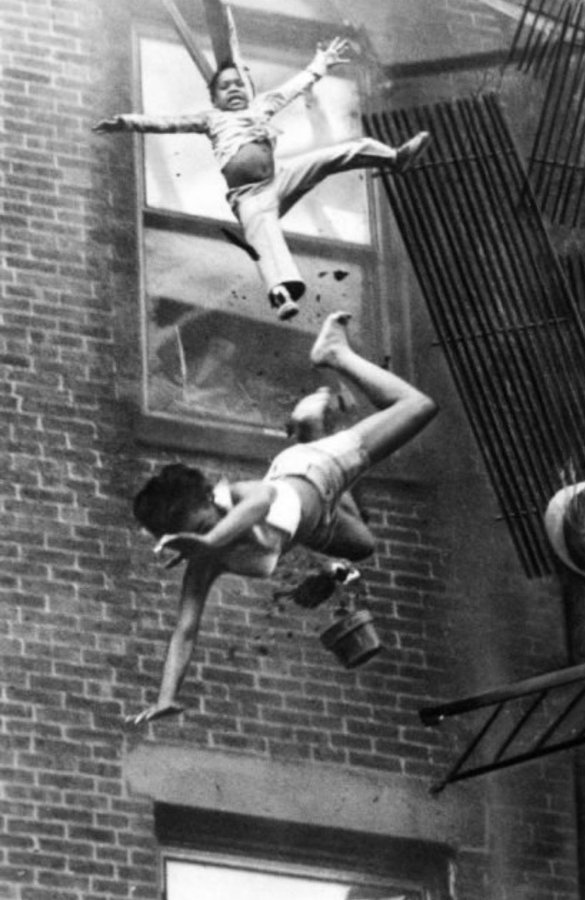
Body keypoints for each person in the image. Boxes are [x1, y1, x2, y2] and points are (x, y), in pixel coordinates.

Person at [128, 311, 437, 723]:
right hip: (316, 523)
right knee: (364, 546)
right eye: (197, 536)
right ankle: (311, 422)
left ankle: (335, 354)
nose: (212, 534)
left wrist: (210, 539)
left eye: (207, 524)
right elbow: (185, 629)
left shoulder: (236, 496)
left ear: (210, 499)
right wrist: (166, 696)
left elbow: (262, 502)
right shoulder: (203, 562)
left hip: (318, 470)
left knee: (417, 406)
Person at [93, 38, 431, 320]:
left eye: (238, 84)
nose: (233, 90)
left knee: (342, 152)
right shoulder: (210, 119)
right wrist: (124, 121)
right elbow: (165, 123)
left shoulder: (261, 108)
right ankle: (281, 293)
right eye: (225, 88)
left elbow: (295, 87)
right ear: (214, 99)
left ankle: (393, 157)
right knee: (263, 234)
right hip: (250, 196)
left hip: (280, 178)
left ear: (248, 89)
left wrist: (321, 61)